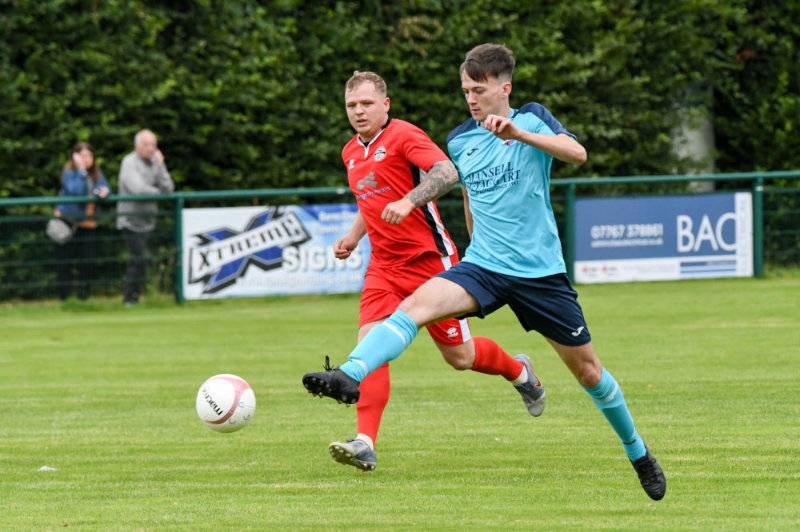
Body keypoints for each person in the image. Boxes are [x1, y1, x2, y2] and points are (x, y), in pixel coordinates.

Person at [303, 44, 666, 500]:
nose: (471, 99)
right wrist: (472, 250)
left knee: (589, 373)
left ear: (504, 88)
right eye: (465, 91)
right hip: (484, 266)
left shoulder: (531, 118)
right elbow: (472, 198)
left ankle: (638, 454)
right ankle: (350, 373)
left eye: (479, 90)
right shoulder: (460, 140)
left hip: (539, 275)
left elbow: (577, 153)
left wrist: (519, 133)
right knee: (416, 307)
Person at [311, 71, 546, 472]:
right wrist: (352, 237)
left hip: (429, 264)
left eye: (367, 103)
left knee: (461, 357)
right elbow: (370, 202)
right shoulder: (350, 151)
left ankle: (521, 372)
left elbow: (447, 173)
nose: (359, 111)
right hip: (383, 268)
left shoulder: (404, 135)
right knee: (371, 346)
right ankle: (364, 442)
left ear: (386, 105)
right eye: (352, 105)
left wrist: (409, 201)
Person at [116, 129, 174, 306]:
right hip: (130, 221)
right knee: (141, 258)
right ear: (137, 146)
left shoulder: (155, 163)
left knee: (140, 260)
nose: (151, 149)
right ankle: (129, 298)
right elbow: (138, 189)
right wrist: (160, 194)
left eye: (153, 145)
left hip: (148, 222)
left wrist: (161, 165)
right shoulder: (129, 162)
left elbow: (169, 188)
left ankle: (134, 298)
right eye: (147, 145)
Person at [53, 142, 111, 300]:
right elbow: (77, 191)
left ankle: (83, 297)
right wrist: (81, 171)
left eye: (89, 156)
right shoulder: (69, 172)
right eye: (83, 155)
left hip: (88, 225)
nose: (86, 159)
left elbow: (104, 187)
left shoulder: (97, 172)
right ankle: (64, 298)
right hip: (68, 223)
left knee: (87, 262)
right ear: (75, 156)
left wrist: (103, 191)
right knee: (65, 263)